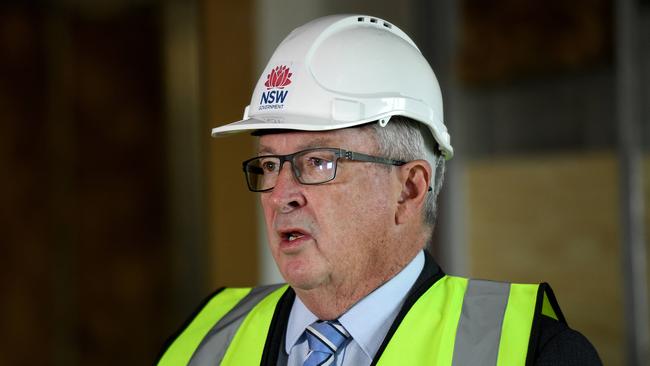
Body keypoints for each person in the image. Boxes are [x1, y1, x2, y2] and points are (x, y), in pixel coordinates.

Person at [157, 14, 602, 365]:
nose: (280, 194)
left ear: (408, 189)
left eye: (318, 162)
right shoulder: (205, 340)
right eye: (270, 164)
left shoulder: (532, 355)